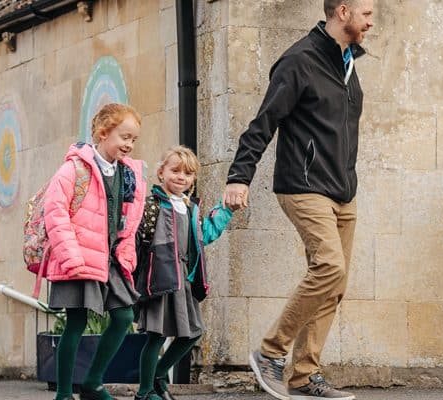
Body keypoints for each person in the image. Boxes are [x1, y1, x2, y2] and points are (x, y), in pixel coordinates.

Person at [221, 1, 374, 399]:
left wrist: (349, 180)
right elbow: (263, 123)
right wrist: (239, 176)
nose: (372, 21)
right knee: (328, 266)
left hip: (343, 190)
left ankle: (305, 374)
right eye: (367, 13)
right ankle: (270, 352)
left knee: (334, 283)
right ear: (343, 11)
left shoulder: (347, 64)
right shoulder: (299, 61)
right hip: (303, 185)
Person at [43, 103, 147, 400]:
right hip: (79, 255)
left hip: (110, 257)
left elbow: (129, 218)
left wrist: (126, 251)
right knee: (75, 321)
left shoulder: (128, 175)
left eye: (133, 140)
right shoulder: (74, 169)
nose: (129, 144)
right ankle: (63, 393)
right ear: (103, 133)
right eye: (124, 137)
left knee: (124, 317)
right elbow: (56, 212)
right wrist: (70, 255)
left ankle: (92, 382)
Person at [132, 146, 235, 400]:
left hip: (184, 280)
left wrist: (225, 211)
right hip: (159, 278)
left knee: (193, 332)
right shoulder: (152, 205)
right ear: (161, 172)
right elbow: (137, 242)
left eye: (188, 174)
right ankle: (144, 392)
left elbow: (205, 236)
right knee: (156, 335)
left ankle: (158, 375)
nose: (181, 177)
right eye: (175, 170)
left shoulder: (191, 208)